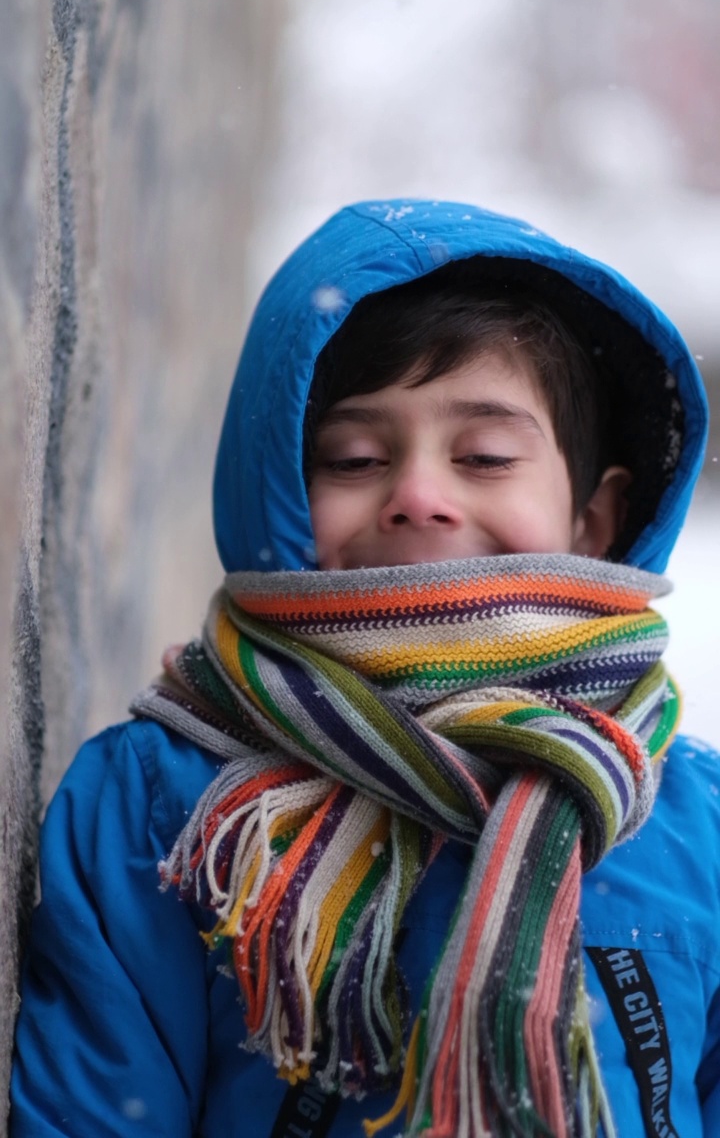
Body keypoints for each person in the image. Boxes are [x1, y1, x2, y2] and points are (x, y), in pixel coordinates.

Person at [10, 199, 720, 1138]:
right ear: (279, 497)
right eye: (353, 457)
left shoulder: (694, 826)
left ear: (594, 516)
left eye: (485, 454)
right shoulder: (164, 806)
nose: (420, 495)